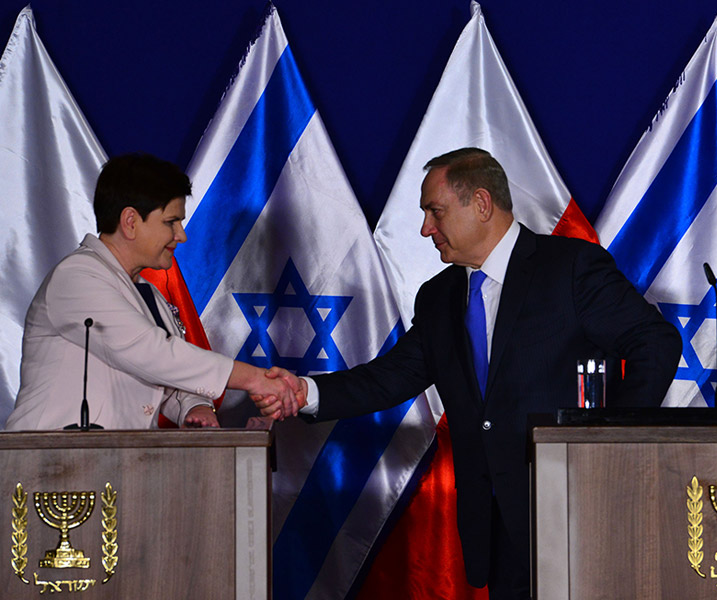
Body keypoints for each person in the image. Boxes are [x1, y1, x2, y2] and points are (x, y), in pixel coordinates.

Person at [261, 148, 682, 599]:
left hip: (576, 509)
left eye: (434, 211)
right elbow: (392, 377)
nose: (425, 229)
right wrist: (304, 392)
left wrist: (605, 442)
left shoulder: (571, 267)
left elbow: (655, 343)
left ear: (481, 204)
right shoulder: (439, 296)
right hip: (494, 523)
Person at [5, 153, 300, 431]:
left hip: (113, 469)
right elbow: (153, 354)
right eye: (171, 222)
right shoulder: (77, 277)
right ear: (131, 222)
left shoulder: (146, 292)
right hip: (47, 472)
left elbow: (166, 377)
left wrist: (196, 408)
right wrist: (255, 379)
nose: (181, 235)